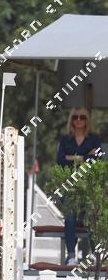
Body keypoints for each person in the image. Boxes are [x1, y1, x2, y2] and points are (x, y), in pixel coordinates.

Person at [56, 107, 103, 265]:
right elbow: (60, 161)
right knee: (69, 216)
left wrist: (73, 158)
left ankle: (95, 256)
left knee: (92, 216)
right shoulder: (65, 139)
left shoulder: (94, 139)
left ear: (87, 120)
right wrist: (85, 156)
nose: (78, 120)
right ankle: (71, 256)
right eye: (75, 117)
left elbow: (98, 159)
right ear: (71, 120)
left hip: (89, 186)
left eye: (82, 117)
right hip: (70, 185)